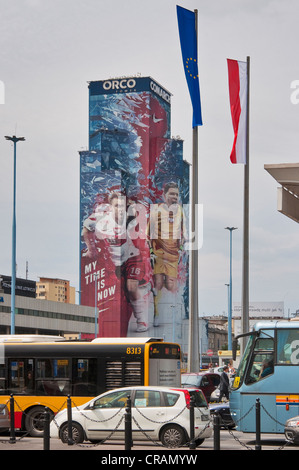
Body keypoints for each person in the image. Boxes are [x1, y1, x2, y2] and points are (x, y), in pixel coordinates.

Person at [83, 192, 151, 332]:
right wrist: (91, 250)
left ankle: (142, 320)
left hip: (132, 257)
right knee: (116, 293)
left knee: (131, 287)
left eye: (122, 206)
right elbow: (86, 229)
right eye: (117, 206)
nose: (120, 209)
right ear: (110, 206)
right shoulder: (100, 218)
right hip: (113, 261)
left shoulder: (131, 216)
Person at [148, 182, 185, 326]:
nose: (174, 197)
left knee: (171, 285)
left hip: (173, 255)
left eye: (176, 194)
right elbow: (148, 233)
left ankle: (172, 311)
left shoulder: (180, 211)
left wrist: (181, 248)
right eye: (172, 194)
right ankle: (156, 313)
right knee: (158, 283)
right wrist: (151, 251)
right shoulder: (156, 210)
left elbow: (184, 232)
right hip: (158, 253)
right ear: (165, 195)